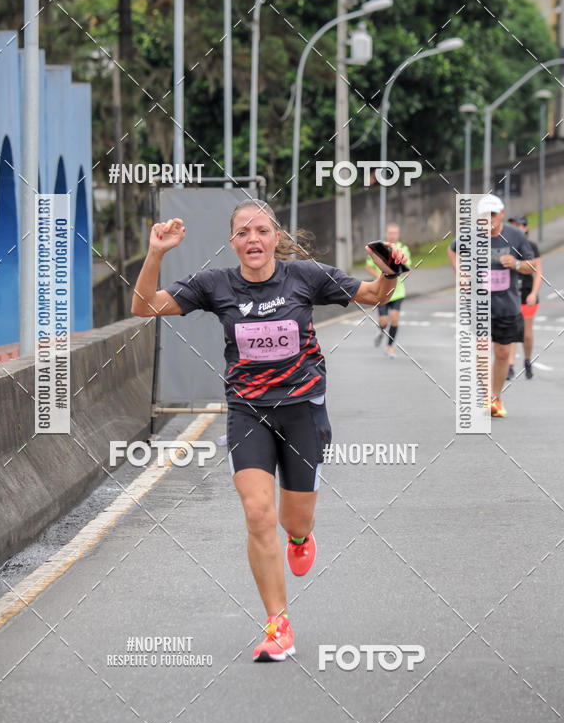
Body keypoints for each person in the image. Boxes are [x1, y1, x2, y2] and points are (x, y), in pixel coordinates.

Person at [131, 199, 407, 661]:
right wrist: (156, 252)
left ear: (276, 237)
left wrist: (392, 271)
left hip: (303, 411)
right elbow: (144, 308)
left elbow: (376, 294)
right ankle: (277, 624)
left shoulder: (305, 276)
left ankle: (300, 537)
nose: (253, 239)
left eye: (261, 230)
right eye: (243, 232)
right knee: (258, 514)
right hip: (247, 411)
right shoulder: (215, 284)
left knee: (292, 520)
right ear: (233, 241)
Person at [448, 194, 535, 417]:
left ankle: (496, 397)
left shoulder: (515, 236)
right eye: (484, 215)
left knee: (504, 351)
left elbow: (531, 266)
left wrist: (515, 263)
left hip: (508, 304)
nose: (489, 219)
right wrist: (461, 274)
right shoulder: (471, 236)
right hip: (480, 302)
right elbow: (452, 249)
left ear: (502, 214)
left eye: (493, 214)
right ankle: (488, 396)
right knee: (484, 346)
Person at [365, 223, 412, 357]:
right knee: (384, 321)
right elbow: (368, 266)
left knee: (395, 318)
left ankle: (389, 347)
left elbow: (407, 267)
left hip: (398, 292)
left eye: (395, 233)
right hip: (382, 291)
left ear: (398, 234)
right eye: (390, 233)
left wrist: (401, 273)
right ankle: (381, 331)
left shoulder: (404, 248)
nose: (392, 235)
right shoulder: (380, 249)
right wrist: (379, 277)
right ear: (386, 234)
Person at [506, 215, 541, 380]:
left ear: (525, 228)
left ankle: (527, 360)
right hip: (511, 295)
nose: (516, 228)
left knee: (526, 334)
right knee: (513, 331)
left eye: (519, 225)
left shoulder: (531, 247)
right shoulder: (507, 247)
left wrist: (534, 293)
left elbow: (538, 273)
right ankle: (510, 365)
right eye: (513, 225)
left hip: (527, 295)